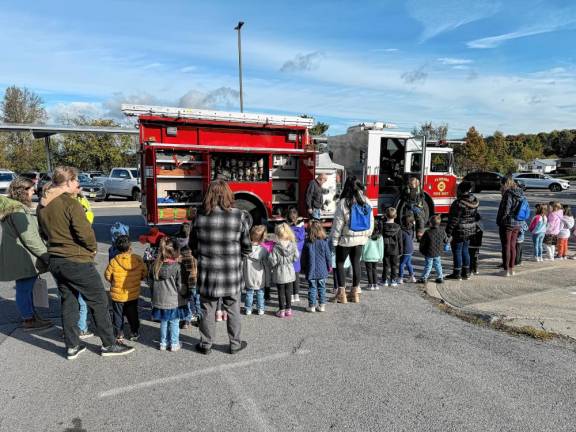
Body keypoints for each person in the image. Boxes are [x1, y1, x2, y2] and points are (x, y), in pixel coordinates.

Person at [37, 166, 134, 359]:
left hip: (56, 259)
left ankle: (72, 345)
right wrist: (92, 248)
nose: (78, 185)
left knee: (69, 301)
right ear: (68, 182)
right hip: (76, 260)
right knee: (98, 300)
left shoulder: (43, 205)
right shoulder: (69, 204)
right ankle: (109, 344)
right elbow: (85, 233)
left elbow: (42, 233)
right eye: (76, 181)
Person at [191, 180, 251, 355]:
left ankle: (206, 344)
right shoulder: (239, 215)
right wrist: (235, 259)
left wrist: (203, 257)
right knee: (233, 309)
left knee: (207, 309)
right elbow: (247, 246)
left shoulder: (199, 216)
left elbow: (192, 246)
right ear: (228, 195)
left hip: (208, 272)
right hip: (231, 272)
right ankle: (235, 344)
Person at [0, 177, 52, 330]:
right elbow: (29, 237)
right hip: (22, 255)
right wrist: (45, 255)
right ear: (22, 192)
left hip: (18, 253)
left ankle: (30, 316)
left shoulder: (13, 206)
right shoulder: (17, 209)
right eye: (31, 189)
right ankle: (28, 319)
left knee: (25, 288)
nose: (34, 191)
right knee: (24, 288)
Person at [331, 176, 374, 304]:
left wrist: (334, 240)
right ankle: (355, 292)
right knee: (356, 263)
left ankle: (342, 293)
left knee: (339, 263)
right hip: (361, 238)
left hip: (346, 239)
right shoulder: (366, 201)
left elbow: (338, 224)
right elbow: (371, 221)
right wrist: (367, 234)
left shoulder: (344, 202)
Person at [105, 235, 147, 342]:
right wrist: (138, 279)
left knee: (118, 314)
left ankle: (119, 333)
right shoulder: (137, 259)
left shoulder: (114, 261)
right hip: (132, 293)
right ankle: (134, 332)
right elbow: (144, 272)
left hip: (118, 294)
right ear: (130, 247)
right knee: (133, 313)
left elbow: (107, 275)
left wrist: (113, 282)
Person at [150, 237, 188, 351]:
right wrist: (185, 294)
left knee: (164, 322)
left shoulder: (155, 265)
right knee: (174, 322)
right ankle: (174, 343)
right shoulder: (177, 267)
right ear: (176, 252)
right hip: (173, 300)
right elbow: (180, 285)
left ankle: (163, 342)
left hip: (159, 299)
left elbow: (150, 283)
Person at [445, 181, 480, 281]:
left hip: (459, 231)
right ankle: (466, 273)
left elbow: (453, 220)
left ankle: (457, 273)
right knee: (465, 251)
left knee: (457, 251)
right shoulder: (474, 200)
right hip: (470, 230)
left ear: (460, 190)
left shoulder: (458, 203)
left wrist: (448, 233)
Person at [496, 177, 526, 276]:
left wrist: (501, 220)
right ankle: (512, 269)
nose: (501, 186)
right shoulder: (521, 193)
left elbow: (506, 210)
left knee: (506, 246)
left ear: (505, 184)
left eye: (501, 184)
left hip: (508, 223)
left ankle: (506, 270)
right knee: (513, 246)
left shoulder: (508, 194)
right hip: (518, 222)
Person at [269, 223, 299, 318]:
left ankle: (281, 310)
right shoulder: (293, 245)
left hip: (279, 271)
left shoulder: (276, 247)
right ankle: (289, 309)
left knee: (280, 292)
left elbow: (273, 261)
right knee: (288, 292)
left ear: (277, 234)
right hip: (290, 270)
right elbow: (296, 257)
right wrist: (290, 260)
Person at [301, 220, 332, 312]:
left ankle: (312, 306)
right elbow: (328, 256)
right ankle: (322, 305)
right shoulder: (323, 242)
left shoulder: (307, 243)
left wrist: (303, 267)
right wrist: (329, 266)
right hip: (322, 270)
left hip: (311, 270)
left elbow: (303, 258)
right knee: (322, 288)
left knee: (312, 288)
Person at [175, 222, 199, 329]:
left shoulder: (178, 253)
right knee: (197, 298)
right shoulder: (194, 252)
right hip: (194, 279)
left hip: (183, 281)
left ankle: (187, 320)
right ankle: (199, 318)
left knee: (186, 300)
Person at [243, 225, 269, 316]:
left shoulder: (246, 248)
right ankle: (260, 309)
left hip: (249, 274)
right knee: (260, 292)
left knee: (249, 292)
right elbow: (266, 263)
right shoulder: (263, 250)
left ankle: (248, 309)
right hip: (260, 275)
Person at [417, 215, 448, 284]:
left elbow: (422, 242)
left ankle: (424, 278)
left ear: (430, 223)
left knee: (428, 265)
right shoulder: (442, 231)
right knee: (438, 264)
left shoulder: (427, 232)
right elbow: (446, 240)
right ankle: (440, 277)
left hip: (429, 252)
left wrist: (421, 249)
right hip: (438, 252)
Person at [381, 207, 403, 287]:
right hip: (395, 249)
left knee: (385, 265)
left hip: (385, 248)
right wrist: (401, 251)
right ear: (395, 216)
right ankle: (393, 280)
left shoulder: (383, 226)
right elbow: (400, 240)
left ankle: (385, 280)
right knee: (394, 266)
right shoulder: (398, 227)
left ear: (386, 215)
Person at [287, 208, 305, 303]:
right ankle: (296, 294)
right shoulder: (301, 227)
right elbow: (302, 238)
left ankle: (291, 294)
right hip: (298, 251)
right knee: (296, 274)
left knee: (290, 274)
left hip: (290, 252)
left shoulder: (288, 227)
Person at [361, 219, 384, 291]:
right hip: (376, 256)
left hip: (367, 256)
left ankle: (370, 284)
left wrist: (362, 256)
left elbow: (364, 247)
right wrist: (381, 257)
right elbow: (381, 248)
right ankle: (375, 284)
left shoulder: (366, 236)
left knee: (369, 270)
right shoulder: (380, 237)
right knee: (375, 270)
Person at [399, 214, 416, 284]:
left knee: (401, 264)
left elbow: (400, 241)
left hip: (405, 250)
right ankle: (412, 277)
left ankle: (400, 278)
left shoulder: (402, 231)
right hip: (410, 249)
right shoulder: (411, 230)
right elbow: (412, 238)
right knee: (408, 263)